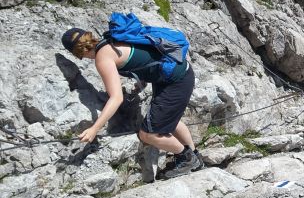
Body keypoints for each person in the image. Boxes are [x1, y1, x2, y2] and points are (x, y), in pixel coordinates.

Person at [61, 26, 202, 179]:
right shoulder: (112, 40)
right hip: (176, 71)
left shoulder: (103, 57)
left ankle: (187, 159)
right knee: (170, 121)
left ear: (77, 53)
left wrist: (95, 128)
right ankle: (195, 157)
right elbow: (143, 56)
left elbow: (116, 98)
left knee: (148, 134)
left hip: (176, 80)